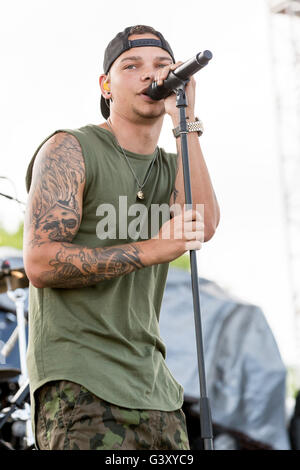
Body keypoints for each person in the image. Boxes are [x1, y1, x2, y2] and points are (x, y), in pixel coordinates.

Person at [23, 24, 220, 450]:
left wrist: (185, 120)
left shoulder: (173, 165)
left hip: (157, 390)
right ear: (106, 85)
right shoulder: (70, 148)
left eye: (162, 66)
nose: (151, 75)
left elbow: (200, 226)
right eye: (132, 66)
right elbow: (39, 262)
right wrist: (150, 250)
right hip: (81, 381)